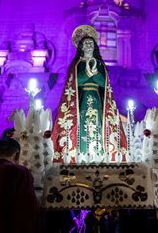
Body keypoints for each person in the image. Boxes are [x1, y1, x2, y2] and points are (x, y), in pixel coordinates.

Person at [51, 25, 127, 164]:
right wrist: (88, 73)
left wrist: (95, 73)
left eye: (91, 43)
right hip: (81, 98)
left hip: (97, 98)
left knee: (97, 122)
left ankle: (100, 152)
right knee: (82, 122)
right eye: (86, 43)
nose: (88, 45)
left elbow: (104, 83)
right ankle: (81, 151)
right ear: (81, 47)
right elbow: (75, 81)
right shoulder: (77, 63)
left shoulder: (99, 64)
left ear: (94, 46)